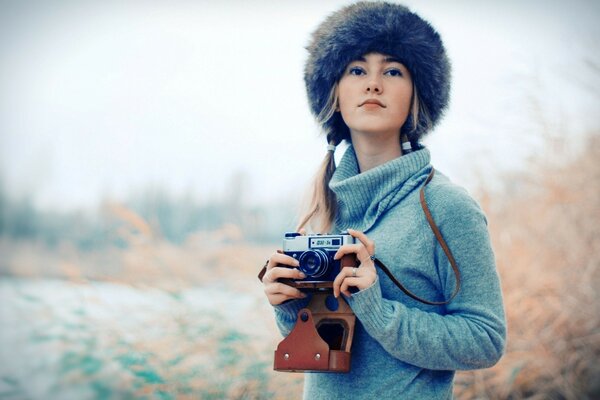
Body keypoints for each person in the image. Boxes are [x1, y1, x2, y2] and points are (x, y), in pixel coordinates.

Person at [261, 2, 506, 398]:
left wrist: (378, 308)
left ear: (417, 93)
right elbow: (321, 344)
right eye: (357, 70)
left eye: (392, 71)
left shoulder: (445, 206)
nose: (373, 84)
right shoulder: (323, 209)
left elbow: (485, 340)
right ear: (334, 93)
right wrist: (288, 305)